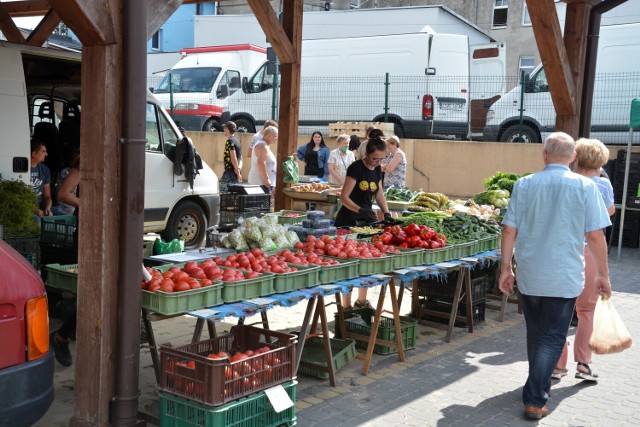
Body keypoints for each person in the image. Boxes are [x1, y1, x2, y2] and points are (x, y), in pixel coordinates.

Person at [499, 132, 612, 420]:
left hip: (531, 274)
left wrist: (506, 268)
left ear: (544, 154)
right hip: (564, 276)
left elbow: (509, 229)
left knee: (537, 335)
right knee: (551, 337)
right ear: (573, 157)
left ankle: (535, 386)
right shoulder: (586, 187)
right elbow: (596, 235)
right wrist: (603, 274)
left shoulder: (524, 184)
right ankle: (535, 398)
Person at [553, 138, 616, 383]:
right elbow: (608, 213)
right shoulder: (602, 185)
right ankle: (584, 363)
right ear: (598, 164)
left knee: (561, 311)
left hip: (564, 251)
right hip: (590, 252)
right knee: (587, 310)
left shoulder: (562, 182)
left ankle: (557, 366)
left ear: (574, 159)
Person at [336, 137, 392, 309]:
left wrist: (386, 212)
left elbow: (379, 194)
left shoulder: (377, 170)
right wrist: (360, 210)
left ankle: (361, 301)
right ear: (366, 154)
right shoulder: (356, 168)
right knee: (350, 264)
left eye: (381, 159)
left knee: (366, 260)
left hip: (367, 221)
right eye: (375, 158)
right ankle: (346, 306)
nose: (378, 162)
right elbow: (344, 198)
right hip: (349, 219)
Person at [248, 126, 278, 193]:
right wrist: (267, 179)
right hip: (260, 183)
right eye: (275, 136)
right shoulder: (263, 146)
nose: (276, 138)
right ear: (269, 135)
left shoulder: (264, 145)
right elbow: (261, 163)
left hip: (263, 183)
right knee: (261, 203)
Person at [30, 139, 53, 222]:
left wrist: (47, 208)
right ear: (34, 154)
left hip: (41, 208)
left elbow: (47, 196)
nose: (46, 154)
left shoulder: (45, 170)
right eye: (43, 151)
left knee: (62, 213)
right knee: (37, 221)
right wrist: (37, 211)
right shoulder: (22, 169)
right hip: (26, 209)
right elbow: (19, 199)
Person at [52, 150, 80, 215]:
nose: (77, 163)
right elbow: (63, 195)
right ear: (71, 162)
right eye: (77, 161)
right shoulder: (66, 172)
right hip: (65, 204)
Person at [219, 121, 242, 192]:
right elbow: (241, 158)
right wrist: (238, 170)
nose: (224, 130)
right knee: (233, 196)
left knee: (222, 193)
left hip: (229, 173)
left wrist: (238, 173)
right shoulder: (237, 141)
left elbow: (233, 157)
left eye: (225, 129)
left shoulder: (229, 142)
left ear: (227, 129)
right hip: (235, 172)